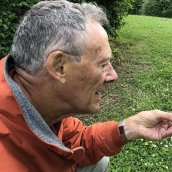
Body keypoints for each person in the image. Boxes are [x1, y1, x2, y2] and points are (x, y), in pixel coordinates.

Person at [0, 1, 172, 172]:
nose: (113, 76)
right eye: (103, 64)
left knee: (99, 162)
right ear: (59, 67)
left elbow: (77, 140)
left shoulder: (41, 101)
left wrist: (130, 127)